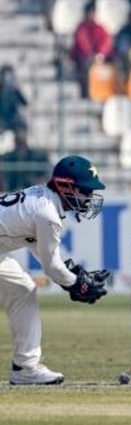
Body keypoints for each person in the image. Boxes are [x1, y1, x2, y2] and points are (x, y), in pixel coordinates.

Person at [0, 155, 110, 385]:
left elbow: (38, 248)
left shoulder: (44, 200)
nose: (89, 198)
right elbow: (51, 267)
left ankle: (25, 368)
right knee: (23, 290)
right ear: (64, 186)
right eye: (85, 191)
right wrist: (76, 283)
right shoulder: (47, 213)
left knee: (23, 290)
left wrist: (72, 278)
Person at [69, 2, 113, 99]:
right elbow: (82, 43)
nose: (91, 16)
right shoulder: (81, 28)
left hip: (99, 58)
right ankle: (87, 93)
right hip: (83, 58)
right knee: (86, 67)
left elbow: (106, 43)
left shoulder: (100, 29)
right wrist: (90, 54)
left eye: (92, 13)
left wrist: (100, 54)